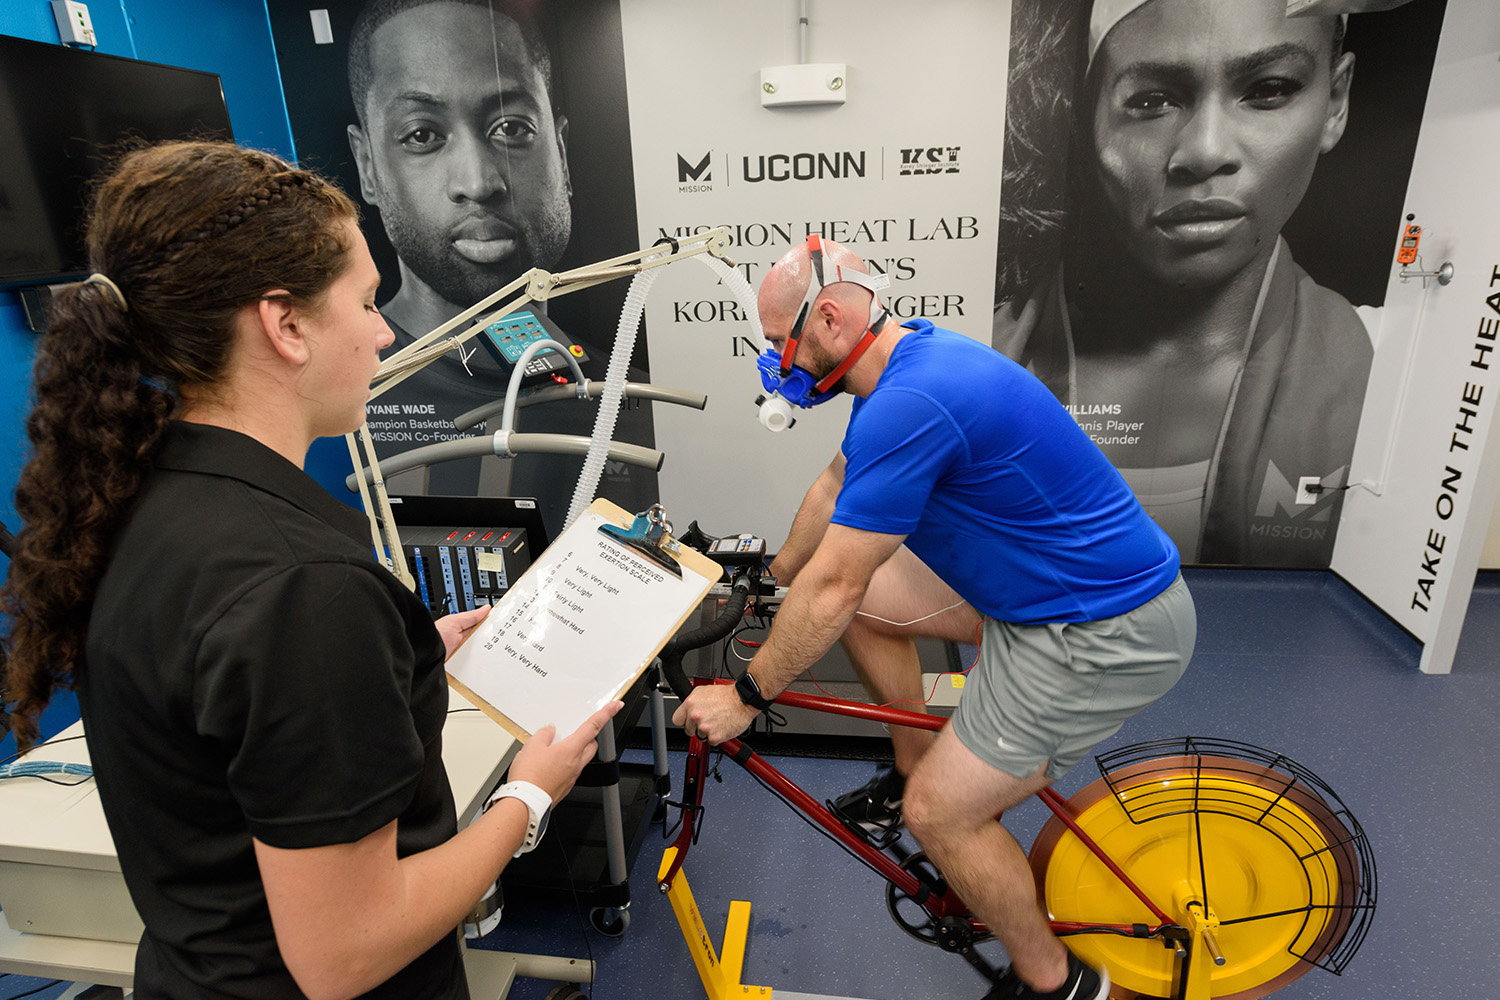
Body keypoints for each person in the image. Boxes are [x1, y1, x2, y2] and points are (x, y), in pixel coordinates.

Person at [0, 140, 619, 999]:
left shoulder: (137, 500)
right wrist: (529, 797)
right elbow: (345, 956)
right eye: (366, 301)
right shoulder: (303, 589)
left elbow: (232, 708)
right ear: (285, 324)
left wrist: (401, 661)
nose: (382, 331)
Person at [674, 237, 1196, 1000]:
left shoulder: (912, 402)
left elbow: (833, 589)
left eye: (778, 345)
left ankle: (1058, 983)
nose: (776, 366)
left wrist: (746, 697)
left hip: (1100, 631)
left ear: (825, 319)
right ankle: (915, 760)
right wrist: (772, 576)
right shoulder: (903, 362)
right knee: (868, 600)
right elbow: (834, 486)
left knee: (939, 817)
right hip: (1043, 601)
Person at [993, 0, 1370, 568]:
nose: (1204, 151)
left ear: (1334, 103)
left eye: (1268, 89)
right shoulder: (977, 356)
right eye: (1151, 101)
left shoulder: (1399, 379)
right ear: (1084, 118)